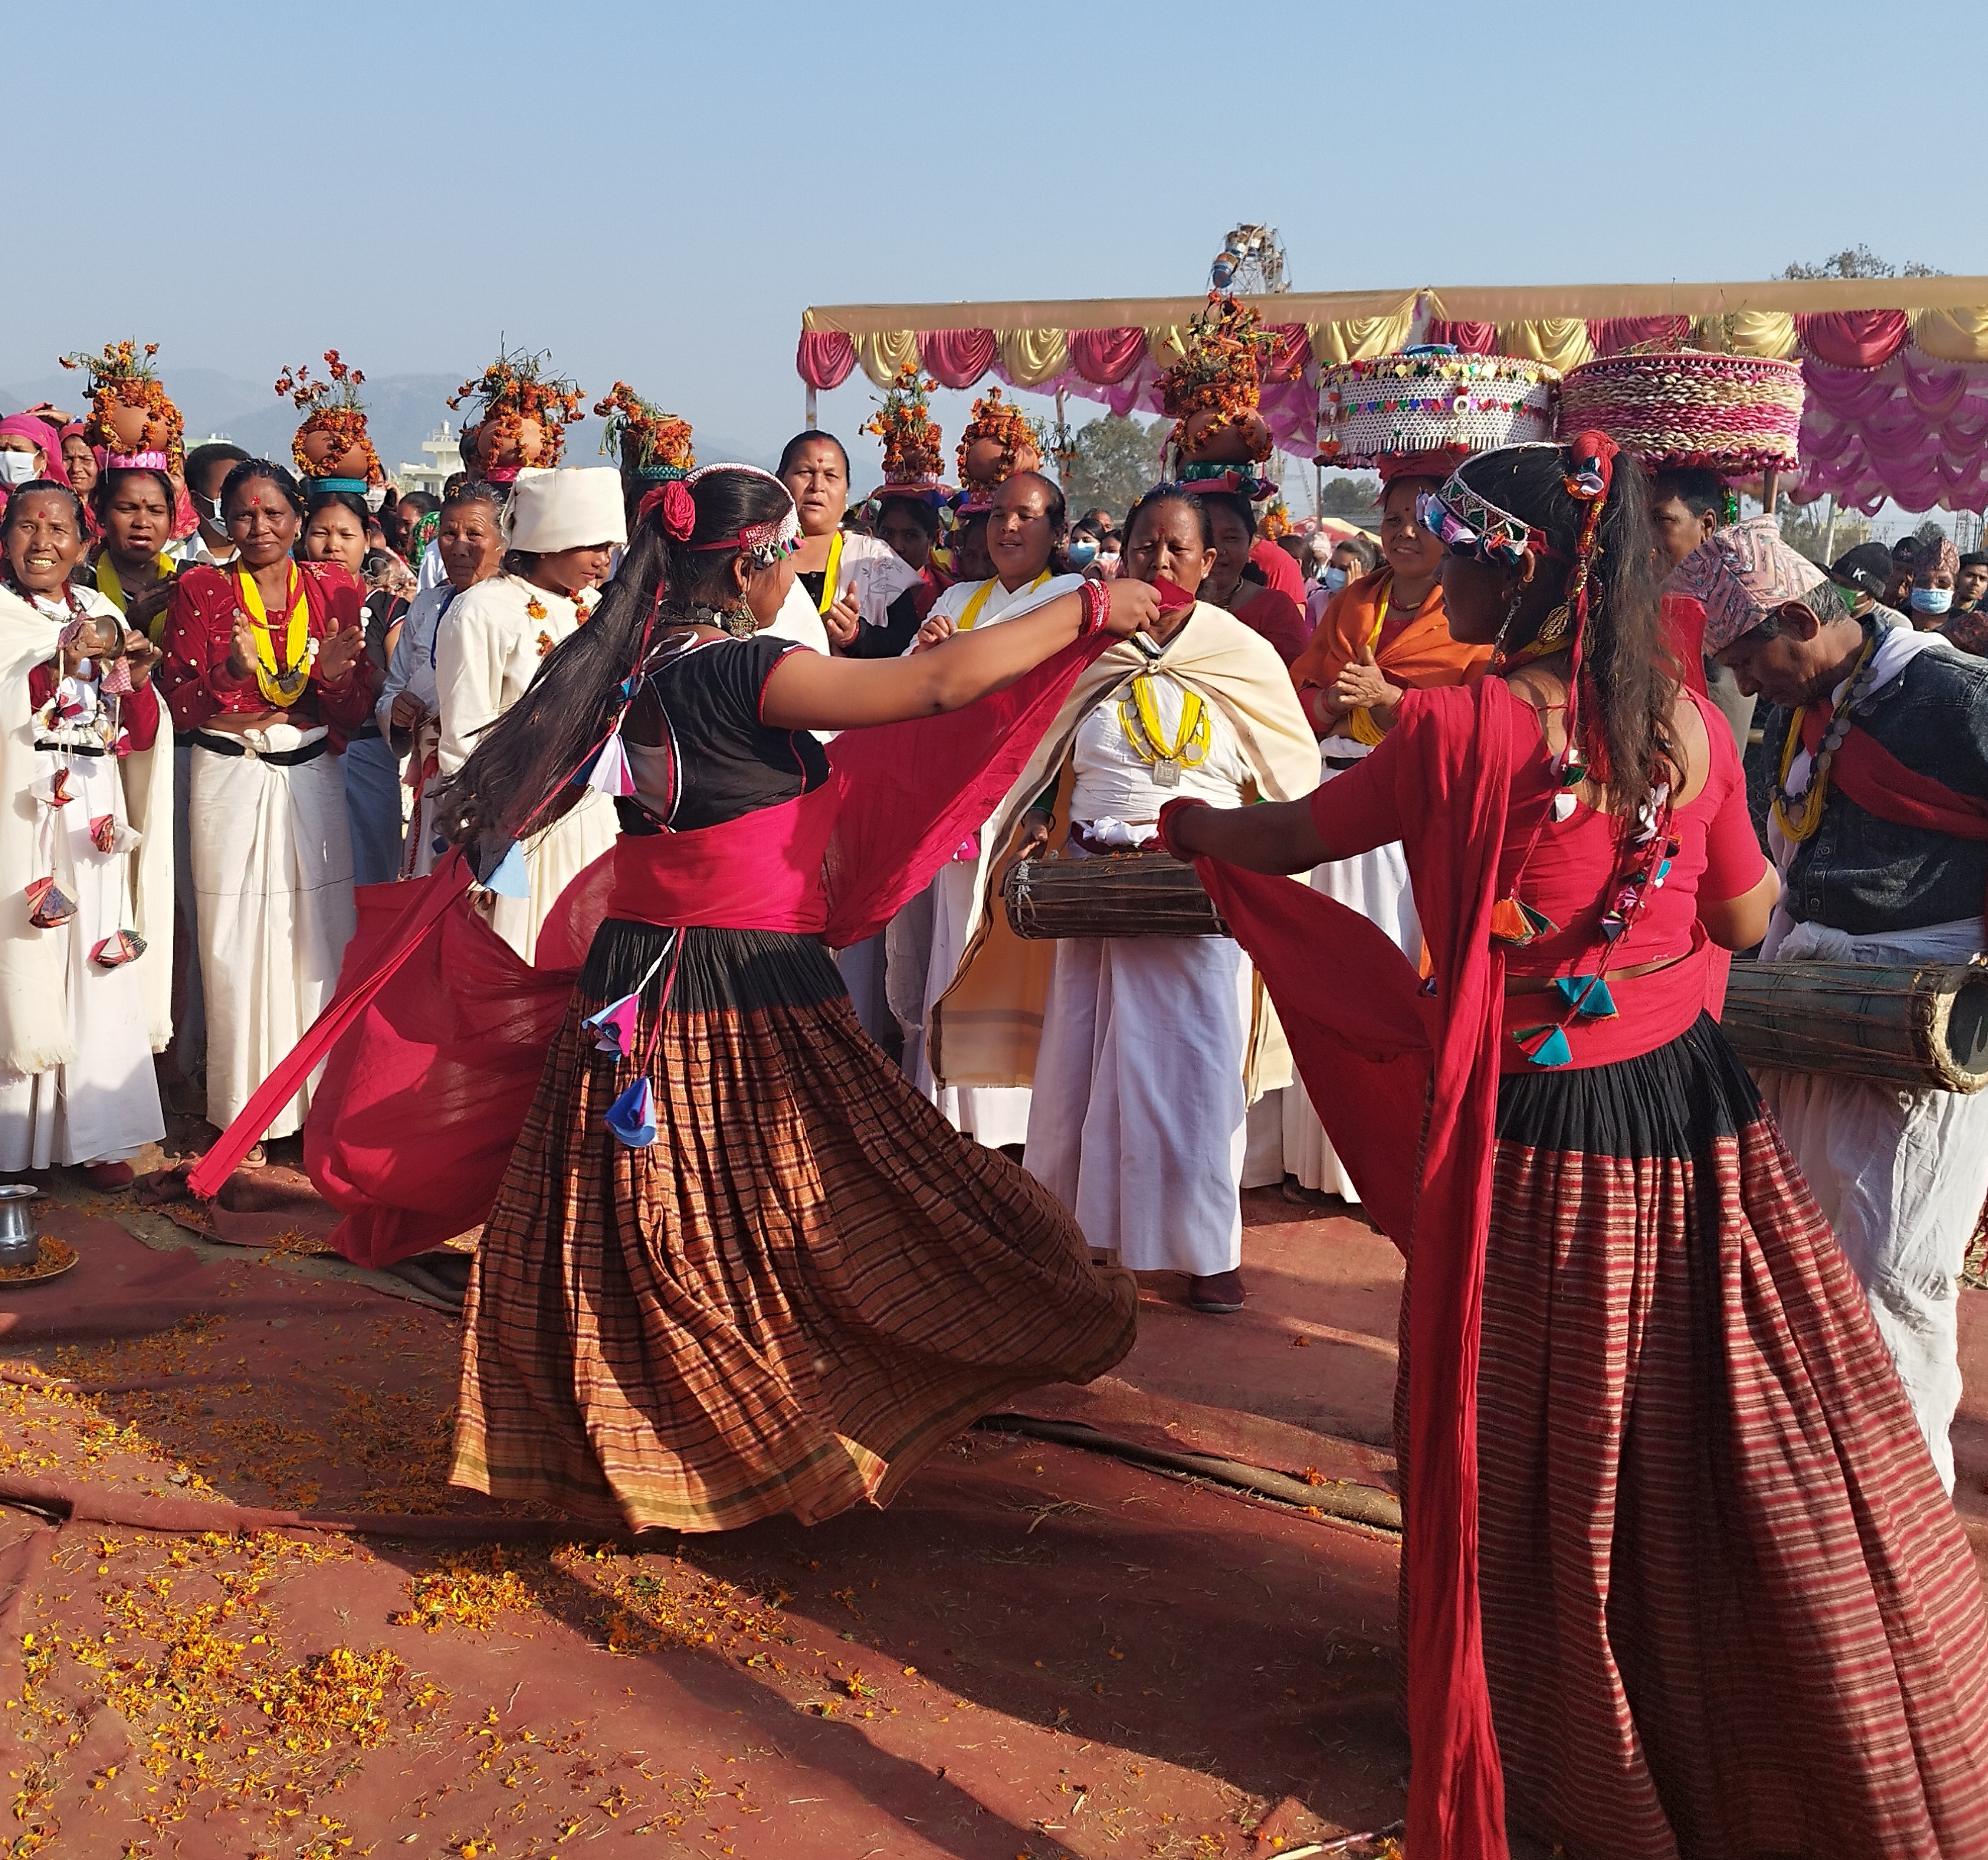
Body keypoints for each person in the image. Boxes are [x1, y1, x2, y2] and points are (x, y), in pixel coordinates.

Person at [1165, 434, 1988, 1859]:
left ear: (1512, 559)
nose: (1423, 571)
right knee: (1715, 1431)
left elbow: (1294, 836)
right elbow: (1738, 923)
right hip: (1687, 1123)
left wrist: (1190, 826)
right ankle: (1775, 1705)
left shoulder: (1452, 732)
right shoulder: (1688, 726)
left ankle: (1571, 1733)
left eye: (1444, 550)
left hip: (1534, 1139)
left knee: (1546, 1440)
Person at [286, 461, 1157, 1528]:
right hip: (739, 980)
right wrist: (1090, 605)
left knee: (644, 1218)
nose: (788, 571)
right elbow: (931, 693)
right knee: (842, 1192)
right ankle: (765, 1422)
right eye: (783, 555)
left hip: (640, 972)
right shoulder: (747, 671)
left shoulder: (631, 665)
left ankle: (635, 1435)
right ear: (748, 566)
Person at [1693, 517, 1988, 1492]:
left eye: (1747, 660)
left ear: (1792, 616)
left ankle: (1899, 1515)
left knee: (1894, 1274)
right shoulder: (1797, 709)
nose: (1742, 685)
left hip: (1921, 1022)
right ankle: (1807, 1493)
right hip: (1799, 999)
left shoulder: (1949, 695)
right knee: (1795, 1265)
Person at [1007, 486, 1319, 1312]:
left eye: (1178, 548)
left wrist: (1235, 845)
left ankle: (1205, 1251)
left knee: (1197, 1072)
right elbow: (1034, 754)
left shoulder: (1242, 653)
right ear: (1121, 555)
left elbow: (1290, 780)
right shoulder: (1089, 647)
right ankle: (1070, 1237)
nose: (1159, 562)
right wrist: (1045, 825)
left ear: (1209, 563)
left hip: (1199, 887)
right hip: (1091, 885)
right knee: (1083, 1062)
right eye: (1143, 547)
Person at [1279, 467, 1489, 1199]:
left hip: (1415, 816)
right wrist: (1331, 705)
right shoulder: (1351, 603)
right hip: (1336, 801)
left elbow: (1482, 712)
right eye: (1393, 518)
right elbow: (1301, 688)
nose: (1403, 533)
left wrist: (1393, 701)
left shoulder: (1469, 611)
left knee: (1399, 976)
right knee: (1333, 972)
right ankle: (1320, 1157)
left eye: (1421, 520)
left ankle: (1397, 1155)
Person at [159, 460, 373, 1143]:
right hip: (229, 777)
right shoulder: (199, 588)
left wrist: (334, 681)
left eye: (274, 514)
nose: (259, 528)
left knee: (317, 936)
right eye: (245, 515)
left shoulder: (336, 589)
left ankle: (316, 1106)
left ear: (298, 518)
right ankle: (241, 1111)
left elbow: (355, 706)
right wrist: (231, 672)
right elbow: (179, 704)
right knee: (233, 939)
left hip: (311, 773)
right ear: (225, 519)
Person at [896, 471, 1084, 1146]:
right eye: (999, 514)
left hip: (1026, 801)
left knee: (1016, 947)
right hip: (955, 802)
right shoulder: (956, 597)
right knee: (954, 942)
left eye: (1027, 516)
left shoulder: (1068, 599)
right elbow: (906, 689)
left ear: (1057, 532)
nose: (1008, 527)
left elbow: (1065, 701)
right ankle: (953, 1109)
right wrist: (925, 652)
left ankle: (1023, 1116)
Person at [0, 483, 171, 1187]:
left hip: (92, 808)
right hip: (20, 804)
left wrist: (138, 684)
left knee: (97, 950)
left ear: (83, 540)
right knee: (24, 947)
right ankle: (14, 1141)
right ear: (4, 537)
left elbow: (131, 725)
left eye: (59, 528)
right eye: (26, 527)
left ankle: (101, 1131)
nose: (43, 542)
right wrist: (52, 661)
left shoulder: (100, 610)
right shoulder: (4, 617)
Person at [434, 466, 624, 962]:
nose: (605, 561)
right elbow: (462, 740)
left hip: (597, 821)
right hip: (520, 824)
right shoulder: (481, 611)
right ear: (551, 535)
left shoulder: (597, 609)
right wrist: (487, 855)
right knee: (525, 960)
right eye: (593, 545)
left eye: (610, 547)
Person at [377, 484, 507, 878]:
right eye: (450, 534)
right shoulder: (427, 606)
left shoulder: (519, 608)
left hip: (495, 784)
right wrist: (397, 712)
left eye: (475, 534)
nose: (459, 546)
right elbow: (393, 687)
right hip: (433, 782)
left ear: (504, 542)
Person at [301, 489, 400, 885]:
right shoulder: (280, 599)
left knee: (370, 874)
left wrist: (356, 671)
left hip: (367, 750)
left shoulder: (388, 608)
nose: (332, 546)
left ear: (368, 539)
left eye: (346, 534)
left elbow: (397, 683)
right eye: (320, 533)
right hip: (302, 750)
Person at [774, 431, 923, 657]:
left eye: (831, 476)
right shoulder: (757, 555)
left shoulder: (877, 561)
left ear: (846, 493)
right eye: (805, 472)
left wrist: (856, 635)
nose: (818, 485)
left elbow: (909, 646)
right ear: (779, 481)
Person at [1199, 492, 1309, 665]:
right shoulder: (1162, 604)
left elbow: (1299, 680)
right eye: (1206, 538)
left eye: (1231, 538)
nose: (1218, 550)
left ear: (1251, 544)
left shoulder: (1275, 609)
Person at [173, 441, 249, 571]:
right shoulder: (171, 559)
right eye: (225, 492)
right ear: (196, 501)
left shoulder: (268, 557)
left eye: (244, 492)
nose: (238, 502)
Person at [0, 414, 67, 523]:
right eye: (2, 449)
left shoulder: (62, 508)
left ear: (42, 458)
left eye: (18, 450)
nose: (8, 456)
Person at [1907, 532, 1961, 629]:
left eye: (1942, 584)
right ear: (1911, 587)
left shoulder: (1963, 628)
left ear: (1955, 594)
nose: (1931, 588)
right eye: (1923, 582)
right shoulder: (1896, 623)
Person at [1884, 537, 1918, 609]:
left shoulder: (1917, 612)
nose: (1902, 577)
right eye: (1898, 569)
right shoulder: (1868, 602)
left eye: (1910, 572)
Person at [1955, 549, 1988, 613]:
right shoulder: (1937, 607)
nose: (1976, 583)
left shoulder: (1984, 615)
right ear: (1956, 576)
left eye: (1982, 579)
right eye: (1970, 576)